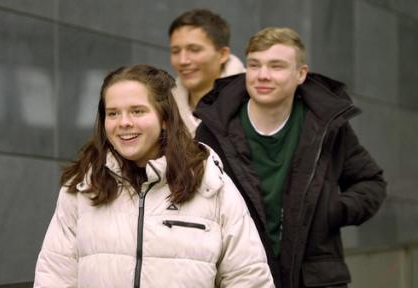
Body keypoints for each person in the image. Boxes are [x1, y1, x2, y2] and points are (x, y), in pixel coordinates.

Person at [34, 64, 274, 287]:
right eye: (113, 113)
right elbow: (54, 277)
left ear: (165, 119)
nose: (124, 122)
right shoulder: (83, 187)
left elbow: (248, 278)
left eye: (137, 111)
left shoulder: (210, 183)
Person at [194, 27, 387, 288]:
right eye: (254, 65)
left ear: (301, 74)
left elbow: (371, 183)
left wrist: (330, 212)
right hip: (239, 274)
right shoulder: (214, 127)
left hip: (315, 276)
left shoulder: (327, 126)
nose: (263, 75)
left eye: (276, 66)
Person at [168, 9, 245, 136]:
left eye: (194, 50)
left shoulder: (253, 98)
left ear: (222, 54)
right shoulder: (164, 107)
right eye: (175, 51)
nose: (183, 60)